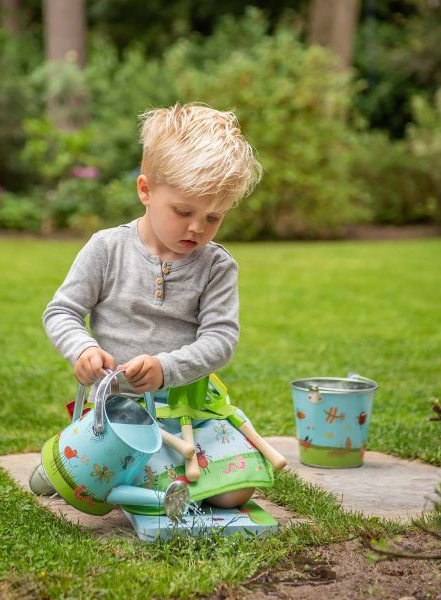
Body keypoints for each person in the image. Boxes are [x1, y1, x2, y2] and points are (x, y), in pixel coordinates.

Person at [39, 102, 270, 508]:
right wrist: (83, 349)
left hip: (185, 410)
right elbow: (61, 311)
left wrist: (166, 369)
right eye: (183, 212)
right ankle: (77, 463)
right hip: (118, 412)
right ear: (145, 190)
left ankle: (146, 480)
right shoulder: (107, 249)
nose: (197, 227)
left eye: (213, 217)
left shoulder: (216, 266)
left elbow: (221, 340)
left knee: (236, 492)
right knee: (95, 480)